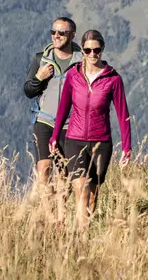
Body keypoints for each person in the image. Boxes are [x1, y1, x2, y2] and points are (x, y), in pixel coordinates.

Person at [49, 30, 132, 230]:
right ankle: (79, 238)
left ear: (102, 50)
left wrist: (126, 148)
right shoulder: (73, 75)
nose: (93, 54)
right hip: (75, 140)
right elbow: (63, 108)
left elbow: (123, 114)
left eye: (97, 50)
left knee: (93, 196)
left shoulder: (113, 79)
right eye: (88, 50)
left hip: (101, 142)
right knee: (81, 188)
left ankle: (84, 233)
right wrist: (54, 137)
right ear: (83, 51)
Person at [23, 17, 81, 186]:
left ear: (72, 35)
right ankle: (46, 211)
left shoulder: (82, 62)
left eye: (61, 32)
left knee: (65, 174)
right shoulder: (41, 59)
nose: (56, 36)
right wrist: (38, 79)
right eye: (53, 32)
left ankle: (59, 211)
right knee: (44, 169)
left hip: (70, 125)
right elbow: (28, 91)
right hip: (44, 121)